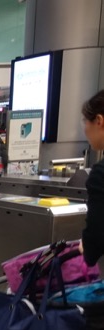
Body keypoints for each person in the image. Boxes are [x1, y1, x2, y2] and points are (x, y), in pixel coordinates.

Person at [79, 90, 104, 270]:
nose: (85, 128)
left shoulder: (101, 174)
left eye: (85, 121)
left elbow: (94, 241)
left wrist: (86, 246)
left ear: (99, 121)